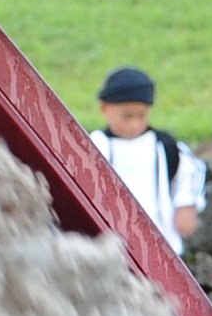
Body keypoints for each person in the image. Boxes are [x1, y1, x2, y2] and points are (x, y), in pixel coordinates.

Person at [86, 64, 205, 248]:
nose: (134, 124)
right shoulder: (96, 145)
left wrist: (185, 205)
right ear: (104, 109)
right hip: (110, 242)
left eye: (141, 115)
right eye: (127, 116)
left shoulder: (163, 145)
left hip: (161, 240)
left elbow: (189, 172)